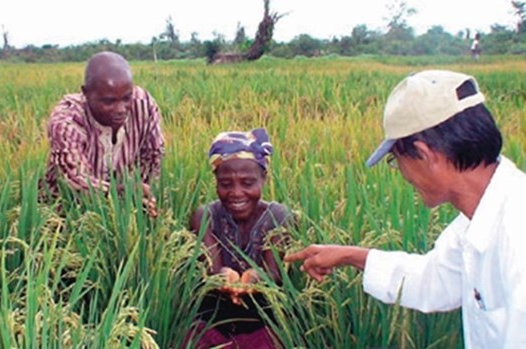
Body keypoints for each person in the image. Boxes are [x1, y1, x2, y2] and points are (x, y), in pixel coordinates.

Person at [285, 70, 526, 348]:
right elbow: (435, 280)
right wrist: (349, 256)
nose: (401, 173)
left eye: (396, 160)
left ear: (424, 154)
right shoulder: (476, 219)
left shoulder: (518, 234)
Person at [183, 128, 293, 349]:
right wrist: (225, 276)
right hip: (212, 321)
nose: (236, 193)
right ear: (216, 181)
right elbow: (212, 270)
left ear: (264, 179)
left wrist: (253, 277)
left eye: (248, 183)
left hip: (263, 322)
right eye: (225, 184)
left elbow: (273, 273)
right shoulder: (205, 216)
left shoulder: (279, 217)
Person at [40, 51, 164, 216]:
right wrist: (123, 193)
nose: (121, 110)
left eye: (126, 98)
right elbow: (75, 178)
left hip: (125, 205)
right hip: (68, 207)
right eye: (108, 101)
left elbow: (153, 157)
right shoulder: (67, 119)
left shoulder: (143, 105)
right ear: (86, 93)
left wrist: (145, 198)